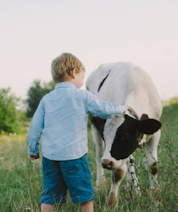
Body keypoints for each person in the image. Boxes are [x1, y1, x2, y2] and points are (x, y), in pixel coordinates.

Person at [27, 53, 127, 212]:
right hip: (74, 156)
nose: (82, 82)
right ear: (74, 72)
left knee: (49, 195)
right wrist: (122, 109)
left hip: (51, 157)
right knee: (84, 196)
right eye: (82, 77)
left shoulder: (47, 99)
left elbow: (34, 128)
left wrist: (32, 149)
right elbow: (103, 109)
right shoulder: (82, 96)